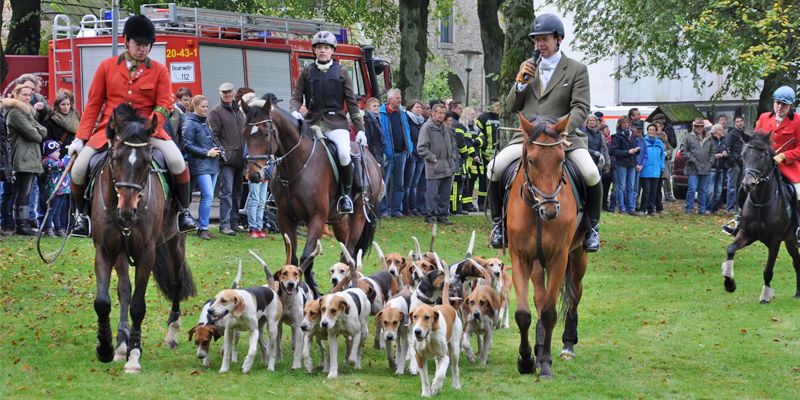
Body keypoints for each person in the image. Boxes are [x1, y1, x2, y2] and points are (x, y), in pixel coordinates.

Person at [67, 15, 197, 237]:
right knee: (78, 169)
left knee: (177, 162)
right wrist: (80, 138)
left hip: (148, 131)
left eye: (147, 45)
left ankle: (183, 212)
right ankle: (82, 218)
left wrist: (150, 125)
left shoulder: (159, 70)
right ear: (126, 41)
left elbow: (165, 104)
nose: (143, 50)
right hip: (111, 131)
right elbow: (93, 105)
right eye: (139, 44)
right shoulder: (106, 67)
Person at [487, 13, 600, 251]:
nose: (540, 44)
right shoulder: (527, 68)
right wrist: (519, 85)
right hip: (529, 139)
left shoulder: (577, 70)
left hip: (564, 138)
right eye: (536, 39)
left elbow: (581, 107)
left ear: (558, 39)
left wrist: (561, 128)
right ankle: (498, 225)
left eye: (545, 39)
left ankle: (592, 229)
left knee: (590, 173)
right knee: (494, 169)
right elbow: (511, 106)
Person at [289, 30, 366, 214]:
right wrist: (294, 111)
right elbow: (296, 97)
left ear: (332, 51)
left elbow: (352, 104)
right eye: (319, 48)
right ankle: (286, 193)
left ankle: (345, 196)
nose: (322, 51)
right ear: (314, 51)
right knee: (292, 149)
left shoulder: (342, 72)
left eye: (326, 47)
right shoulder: (307, 72)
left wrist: (360, 129)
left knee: (344, 154)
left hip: (335, 123)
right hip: (312, 122)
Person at [724, 86, 800, 242]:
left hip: (788, 167)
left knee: (798, 192)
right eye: (777, 103)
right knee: (743, 188)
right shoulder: (764, 118)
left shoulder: (798, 121)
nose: (779, 107)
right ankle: (739, 220)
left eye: (784, 105)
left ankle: (798, 228)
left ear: (790, 106)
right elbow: (755, 140)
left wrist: (785, 155)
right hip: (764, 167)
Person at [3, 82, 47, 235]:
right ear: (15, 95)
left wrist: (37, 130)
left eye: (30, 95)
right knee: (21, 192)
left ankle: (22, 223)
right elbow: (35, 134)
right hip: (21, 157)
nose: (28, 98)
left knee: (25, 192)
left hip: (29, 157)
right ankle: (21, 225)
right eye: (24, 95)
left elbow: (44, 131)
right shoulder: (15, 113)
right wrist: (37, 130)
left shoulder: (27, 112)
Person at [207, 82, 246, 235]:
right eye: (224, 92)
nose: (227, 94)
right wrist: (223, 153)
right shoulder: (216, 112)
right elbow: (213, 135)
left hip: (240, 159)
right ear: (220, 94)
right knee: (227, 192)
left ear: (233, 92)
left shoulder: (239, 112)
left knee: (237, 192)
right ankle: (224, 225)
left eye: (229, 92)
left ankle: (234, 223)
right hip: (227, 160)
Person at [182, 95, 220, 240]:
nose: (206, 109)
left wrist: (218, 149)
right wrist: (207, 153)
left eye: (206, 106)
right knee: (208, 195)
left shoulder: (205, 123)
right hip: (199, 165)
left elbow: (211, 141)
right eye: (203, 106)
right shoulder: (190, 123)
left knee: (208, 198)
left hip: (212, 164)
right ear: (195, 107)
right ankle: (203, 228)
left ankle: (204, 227)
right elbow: (187, 145)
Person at [416, 103, 456, 225]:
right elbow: (421, 148)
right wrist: (433, 159)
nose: (442, 115)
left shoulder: (446, 127)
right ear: (433, 113)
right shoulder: (427, 127)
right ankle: (430, 216)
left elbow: (452, 145)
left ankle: (442, 216)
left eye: (443, 113)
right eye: (439, 113)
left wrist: (452, 158)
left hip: (447, 165)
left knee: (445, 193)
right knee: (432, 194)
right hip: (434, 166)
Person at [378, 89, 412, 218]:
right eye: (397, 98)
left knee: (399, 183)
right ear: (390, 99)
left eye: (400, 97)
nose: (400, 100)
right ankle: (383, 210)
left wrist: (409, 147)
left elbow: (406, 130)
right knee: (384, 184)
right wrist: (384, 150)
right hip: (388, 154)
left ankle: (396, 209)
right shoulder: (381, 114)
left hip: (401, 153)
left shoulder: (402, 113)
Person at [680, 118, 713, 214]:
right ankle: (688, 209)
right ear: (693, 126)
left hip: (705, 167)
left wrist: (710, 163)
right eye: (697, 126)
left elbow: (713, 151)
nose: (699, 128)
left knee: (703, 190)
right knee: (692, 189)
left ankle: (702, 209)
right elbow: (683, 150)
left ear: (703, 127)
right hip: (692, 167)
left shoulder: (709, 137)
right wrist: (693, 160)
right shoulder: (688, 137)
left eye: (701, 126)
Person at [474, 99, 501, 211]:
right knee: (484, 179)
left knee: (497, 179)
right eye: (496, 106)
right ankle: (482, 203)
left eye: (500, 106)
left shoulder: (502, 118)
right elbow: (478, 135)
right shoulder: (483, 118)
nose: (498, 108)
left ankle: (493, 202)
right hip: (485, 153)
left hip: (499, 152)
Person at [609, 116, 639, 215]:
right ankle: (621, 208)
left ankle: (631, 208)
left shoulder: (633, 135)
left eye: (627, 123)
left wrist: (637, 150)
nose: (626, 124)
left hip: (631, 163)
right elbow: (613, 151)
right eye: (624, 123)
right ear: (620, 124)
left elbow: (635, 149)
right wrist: (627, 152)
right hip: (621, 163)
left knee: (631, 186)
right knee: (621, 186)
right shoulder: (616, 136)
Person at [40, 140, 71, 236]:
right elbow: (60, 165)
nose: (59, 153)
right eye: (57, 151)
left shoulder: (57, 160)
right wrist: (68, 157)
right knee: (52, 210)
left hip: (62, 190)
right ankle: (48, 229)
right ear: (50, 153)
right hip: (53, 190)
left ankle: (58, 229)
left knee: (58, 211)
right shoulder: (47, 162)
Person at [403, 100, 425, 216]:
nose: (419, 109)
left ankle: (414, 207)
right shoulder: (408, 120)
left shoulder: (421, 122)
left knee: (415, 184)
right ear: (411, 108)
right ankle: (407, 208)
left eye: (420, 108)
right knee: (408, 184)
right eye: (417, 107)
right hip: (412, 155)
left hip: (421, 155)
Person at [43, 90, 80, 158]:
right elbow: (47, 139)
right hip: (58, 155)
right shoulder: (50, 119)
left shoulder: (76, 116)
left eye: (68, 104)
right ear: (57, 105)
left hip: (75, 153)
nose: (66, 107)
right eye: (63, 104)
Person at [639, 124, 664, 215]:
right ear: (647, 130)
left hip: (656, 171)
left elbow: (662, 156)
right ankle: (642, 209)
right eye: (650, 130)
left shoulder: (659, 143)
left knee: (654, 191)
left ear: (656, 131)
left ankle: (651, 209)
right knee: (646, 191)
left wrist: (662, 167)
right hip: (645, 170)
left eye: (653, 130)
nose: (651, 131)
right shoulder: (643, 141)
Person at [723, 115, 745, 212]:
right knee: (731, 187)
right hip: (734, 164)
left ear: (743, 123)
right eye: (737, 121)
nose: (739, 123)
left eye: (741, 121)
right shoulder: (732, 134)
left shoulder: (743, 134)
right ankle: (730, 207)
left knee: (740, 187)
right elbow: (727, 147)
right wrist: (732, 161)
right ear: (734, 123)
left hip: (742, 164)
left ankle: (737, 207)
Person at [707, 123, 728, 213]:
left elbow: (728, 150)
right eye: (721, 129)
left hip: (721, 168)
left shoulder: (724, 141)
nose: (723, 130)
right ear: (716, 131)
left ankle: (714, 209)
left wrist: (726, 153)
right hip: (712, 168)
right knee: (710, 191)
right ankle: (707, 208)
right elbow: (706, 153)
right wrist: (715, 156)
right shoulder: (709, 140)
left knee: (718, 191)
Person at [363, 97, 386, 167]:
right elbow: (368, 138)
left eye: (378, 106)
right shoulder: (367, 119)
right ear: (368, 108)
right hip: (373, 152)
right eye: (374, 106)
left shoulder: (377, 118)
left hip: (379, 151)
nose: (377, 108)